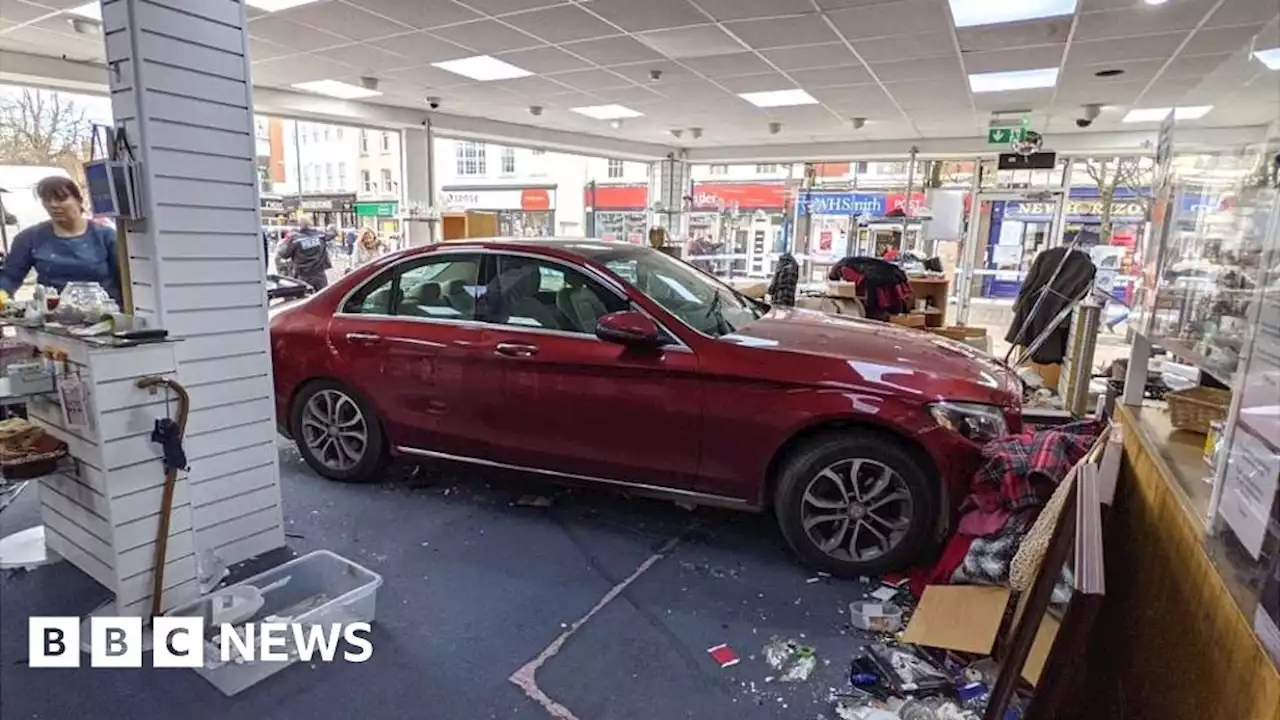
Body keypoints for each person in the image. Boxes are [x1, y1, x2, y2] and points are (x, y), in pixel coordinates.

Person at [0, 176, 122, 307]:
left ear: (79, 200)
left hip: (103, 315)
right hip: (52, 318)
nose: (53, 205)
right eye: (47, 200)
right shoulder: (30, 238)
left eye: (61, 199)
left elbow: (125, 280)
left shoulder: (105, 236)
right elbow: (10, 277)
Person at [276, 214, 332, 290]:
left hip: (303, 276)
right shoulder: (320, 235)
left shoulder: (295, 239)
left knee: (305, 298)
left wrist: (285, 241)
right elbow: (333, 234)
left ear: (299, 226)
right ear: (310, 224)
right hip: (320, 275)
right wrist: (331, 227)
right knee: (322, 297)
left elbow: (284, 254)